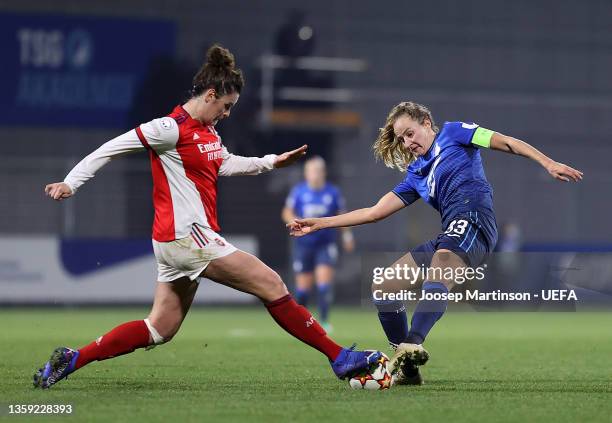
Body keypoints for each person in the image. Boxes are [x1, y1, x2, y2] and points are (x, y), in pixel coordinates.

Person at [34, 44, 382, 389]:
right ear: (211, 94)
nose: (228, 114)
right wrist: (71, 182)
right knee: (272, 284)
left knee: (160, 328)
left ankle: (72, 358)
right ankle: (339, 357)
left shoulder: (208, 133)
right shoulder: (169, 128)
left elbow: (226, 163)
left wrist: (271, 161)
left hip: (177, 241)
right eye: (226, 106)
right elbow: (113, 147)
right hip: (187, 236)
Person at [288, 101, 583, 385]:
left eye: (409, 133)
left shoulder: (455, 132)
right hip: (450, 234)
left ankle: (411, 345)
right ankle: (407, 367)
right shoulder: (416, 174)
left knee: (439, 269)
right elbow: (374, 213)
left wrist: (547, 162)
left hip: (474, 223)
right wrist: (321, 222)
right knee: (384, 286)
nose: (406, 143)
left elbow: (505, 141)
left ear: (426, 123)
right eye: (401, 138)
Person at [281, 156, 354, 332]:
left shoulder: (332, 192)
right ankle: (302, 323)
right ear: (306, 173)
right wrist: (293, 221)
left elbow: (341, 215)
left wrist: (347, 236)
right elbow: (287, 211)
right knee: (302, 290)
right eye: (310, 171)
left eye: (316, 171)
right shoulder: (299, 191)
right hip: (304, 245)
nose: (313, 174)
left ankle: (324, 321)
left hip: (325, 244)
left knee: (323, 284)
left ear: (323, 173)